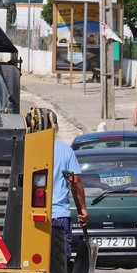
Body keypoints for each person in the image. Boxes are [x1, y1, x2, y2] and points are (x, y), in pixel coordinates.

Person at [50, 112, 88, 261]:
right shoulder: (65, 151)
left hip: (31, 217)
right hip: (58, 215)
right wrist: (83, 209)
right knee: (59, 260)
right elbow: (75, 182)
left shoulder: (26, 148)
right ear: (56, 128)